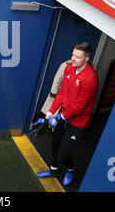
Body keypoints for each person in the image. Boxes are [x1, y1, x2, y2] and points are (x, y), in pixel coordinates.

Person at [36, 42, 98, 186]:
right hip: (63, 116)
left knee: (63, 154)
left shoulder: (90, 78)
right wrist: (49, 114)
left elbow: (80, 106)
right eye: (73, 55)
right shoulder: (69, 68)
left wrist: (60, 117)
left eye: (78, 57)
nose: (73, 59)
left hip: (77, 123)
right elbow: (62, 94)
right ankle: (53, 170)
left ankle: (71, 169)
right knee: (54, 144)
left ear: (86, 59)